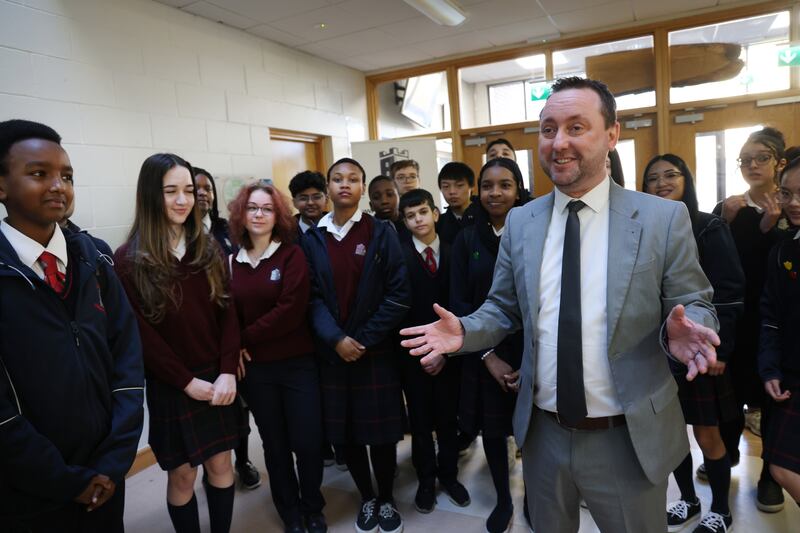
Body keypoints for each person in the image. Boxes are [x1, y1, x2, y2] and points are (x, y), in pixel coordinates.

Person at [401, 77, 720, 533]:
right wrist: (466, 333)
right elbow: (503, 308)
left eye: (576, 127)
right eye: (548, 129)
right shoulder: (522, 222)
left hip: (625, 435)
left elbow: (695, 301)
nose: (559, 142)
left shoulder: (661, 219)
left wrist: (690, 328)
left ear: (611, 135)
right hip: (543, 433)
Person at [0, 119, 144, 532]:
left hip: (106, 472)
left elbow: (127, 360)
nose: (58, 186)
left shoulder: (95, 258)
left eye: (67, 176)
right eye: (38, 174)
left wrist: (114, 462)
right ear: (2, 186)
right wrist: (65, 481)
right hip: (27, 488)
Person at [115, 153, 243, 533]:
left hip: (217, 379)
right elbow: (141, 335)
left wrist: (226, 372)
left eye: (188, 190)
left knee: (222, 466)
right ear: (150, 196)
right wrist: (186, 382)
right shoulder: (128, 260)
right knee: (182, 477)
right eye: (171, 191)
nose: (183, 200)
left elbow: (229, 315)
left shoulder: (209, 249)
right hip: (173, 384)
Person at [302, 158, 410, 533]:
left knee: (379, 435)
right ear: (328, 187)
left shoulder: (381, 233)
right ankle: (366, 497)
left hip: (373, 352)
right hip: (333, 355)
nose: (344, 185)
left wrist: (361, 340)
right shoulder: (313, 237)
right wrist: (336, 339)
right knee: (347, 435)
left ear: (362, 188)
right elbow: (310, 298)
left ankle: (386, 498)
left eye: (353, 179)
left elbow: (398, 294)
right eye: (337, 179)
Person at [643, 154, 745, 533]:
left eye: (672, 174)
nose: (662, 183)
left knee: (707, 433)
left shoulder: (708, 226)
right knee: (671, 435)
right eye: (653, 178)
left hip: (701, 350)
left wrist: (720, 348)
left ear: (687, 179)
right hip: (658, 353)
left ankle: (721, 510)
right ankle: (687, 500)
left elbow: (731, 293)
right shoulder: (645, 230)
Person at [227, 181, 327, 533]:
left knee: (308, 441)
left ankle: (313, 506)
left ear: (278, 215)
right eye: (252, 207)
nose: (258, 214)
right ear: (241, 213)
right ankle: (290, 512)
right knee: (275, 444)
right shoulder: (230, 262)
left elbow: (290, 310)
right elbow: (225, 315)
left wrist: (242, 338)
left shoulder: (291, 255)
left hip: (297, 364)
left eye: (266, 208)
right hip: (257, 371)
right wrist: (234, 346)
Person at [712, 127, 789, 513]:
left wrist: (770, 228)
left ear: (780, 162)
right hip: (741, 319)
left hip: (781, 323)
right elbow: (727, 270)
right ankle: (725, 456)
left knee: (775, 393)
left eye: (761, 157)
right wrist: (729, 223)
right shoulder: (731, 208)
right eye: (745, 159)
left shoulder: (791, 209)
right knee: (731, 390)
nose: (753, 165)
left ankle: (770, 478)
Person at [451, 158, 528, 533]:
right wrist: (487, 356)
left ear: (519, 188)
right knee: (495, 432)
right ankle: (503, 498)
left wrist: (531, 358)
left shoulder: (536, 232)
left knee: (535, 430)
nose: (495, 193)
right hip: (485, 353)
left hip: (533, 351)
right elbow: (460, 303)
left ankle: (534, 497)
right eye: (487, 186)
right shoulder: (467, 238)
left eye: (505, 185)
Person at [397, 188, 470, 515]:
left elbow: (463, 304)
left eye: (423, 212)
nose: (418, 220)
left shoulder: (456, 253)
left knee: (447, 418)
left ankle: (449, 475)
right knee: (421, 420)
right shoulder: (399, 256)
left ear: (435, 213)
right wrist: (424, 351)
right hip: (413, 354)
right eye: (411, 216)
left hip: (450, 354)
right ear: (404, 221)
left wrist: (445, 352)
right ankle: (426, 478)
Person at [193, 167, 260, 491]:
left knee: (239, 407)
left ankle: (242, 461)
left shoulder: (227, 230)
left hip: (235, 329)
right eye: (196, 188)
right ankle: (212, 468)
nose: (203, 193)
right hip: (200, 337)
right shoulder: (176, 235)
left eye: (207, 188)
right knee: (208, 409)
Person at [759, 156, 800, 507]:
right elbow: (770, 315)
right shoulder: (783, 251)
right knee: (781, 467)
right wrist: (769, 367)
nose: (794, 204)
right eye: (786, 193)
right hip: (792, 375)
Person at [437, 161, 478, 245]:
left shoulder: (485, 215)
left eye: (459, 185)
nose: (452, 192)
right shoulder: (439, 223)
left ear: (472, 187)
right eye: (446, 186)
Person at [289, 170, 328, 234]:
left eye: (316, 197)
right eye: (303, 198)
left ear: (326, 199)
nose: (310, 202)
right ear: (294, 202)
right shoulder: (285, 231)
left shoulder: (338, 226)